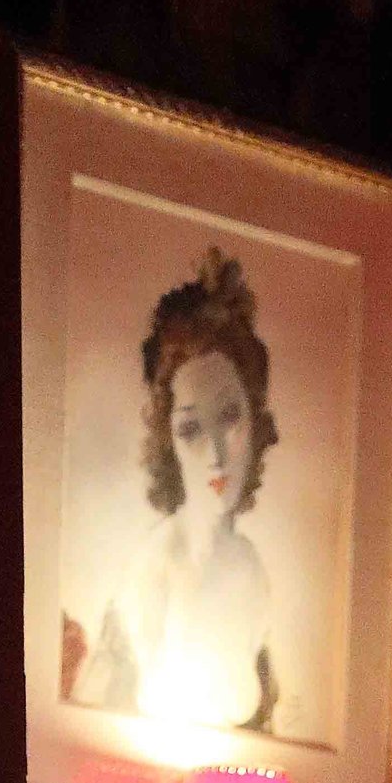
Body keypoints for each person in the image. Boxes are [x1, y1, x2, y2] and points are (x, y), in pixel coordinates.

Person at [68, 248, 283, 737]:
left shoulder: (250, 567)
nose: (215, 454)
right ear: (168, 439)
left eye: (229, 418)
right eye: (191, 429)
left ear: (255, 421)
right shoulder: (154, 568)